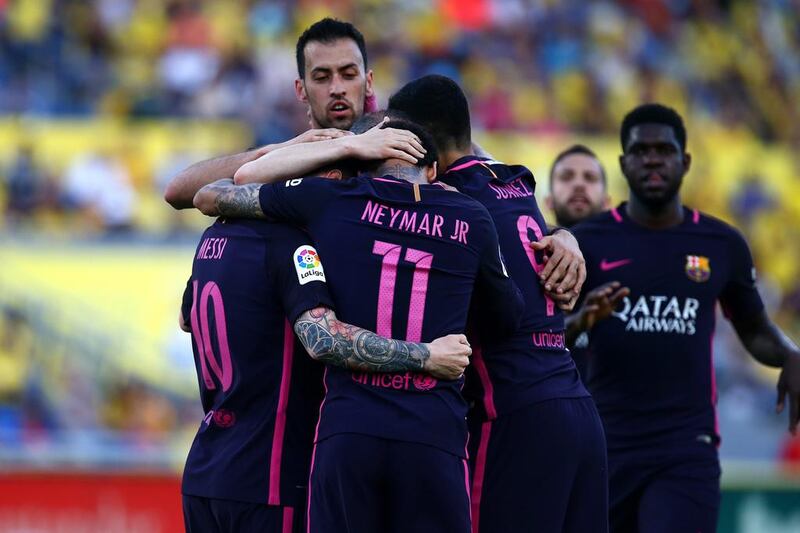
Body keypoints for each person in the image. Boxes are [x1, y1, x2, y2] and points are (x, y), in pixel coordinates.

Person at [193, 114, 524, 533]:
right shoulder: (471, 216)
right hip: (432, 434)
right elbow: (507, 318)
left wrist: (344, 146)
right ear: (434, 169)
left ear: (367, 157)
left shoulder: (333, 199)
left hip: (349, 432)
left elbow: (216, 193)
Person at [180, 177, 471, 531]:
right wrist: (425, 355)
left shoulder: (212, 239)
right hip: (267, 476)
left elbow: (185, 318)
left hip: (206, 468)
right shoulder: (293, 247)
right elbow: (322, 339)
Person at [388, 75, 608, 533]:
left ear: (418, 141)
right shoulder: (516, 184)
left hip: (513, 416)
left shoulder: (447, 206)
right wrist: (563, 232)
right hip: (579, 411)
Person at [569, 103, 800, 533]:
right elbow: (546, 337)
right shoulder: (587, 242)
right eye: (640, 151)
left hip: (686, 447)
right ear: (623, 163)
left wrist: (791, 354)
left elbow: (754, 330)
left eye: (664, 149)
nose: (653, 159)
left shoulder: (721, 243)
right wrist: (581, 321)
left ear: (685, 161)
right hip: (606, 445)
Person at [164, 18, 374, 209]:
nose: (337, 88)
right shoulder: (279, 163)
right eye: (321, 77)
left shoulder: (389, 155)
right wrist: (284, 148)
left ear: (369, 83)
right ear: (301, 90)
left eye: (348, 75)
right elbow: (176, 191)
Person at [545, 144, 623, 378]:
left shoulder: (628, 260)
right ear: (548, 201)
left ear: (608, 202)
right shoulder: (526, 255)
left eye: (590, 178)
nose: (579, 184)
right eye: (566, 177)